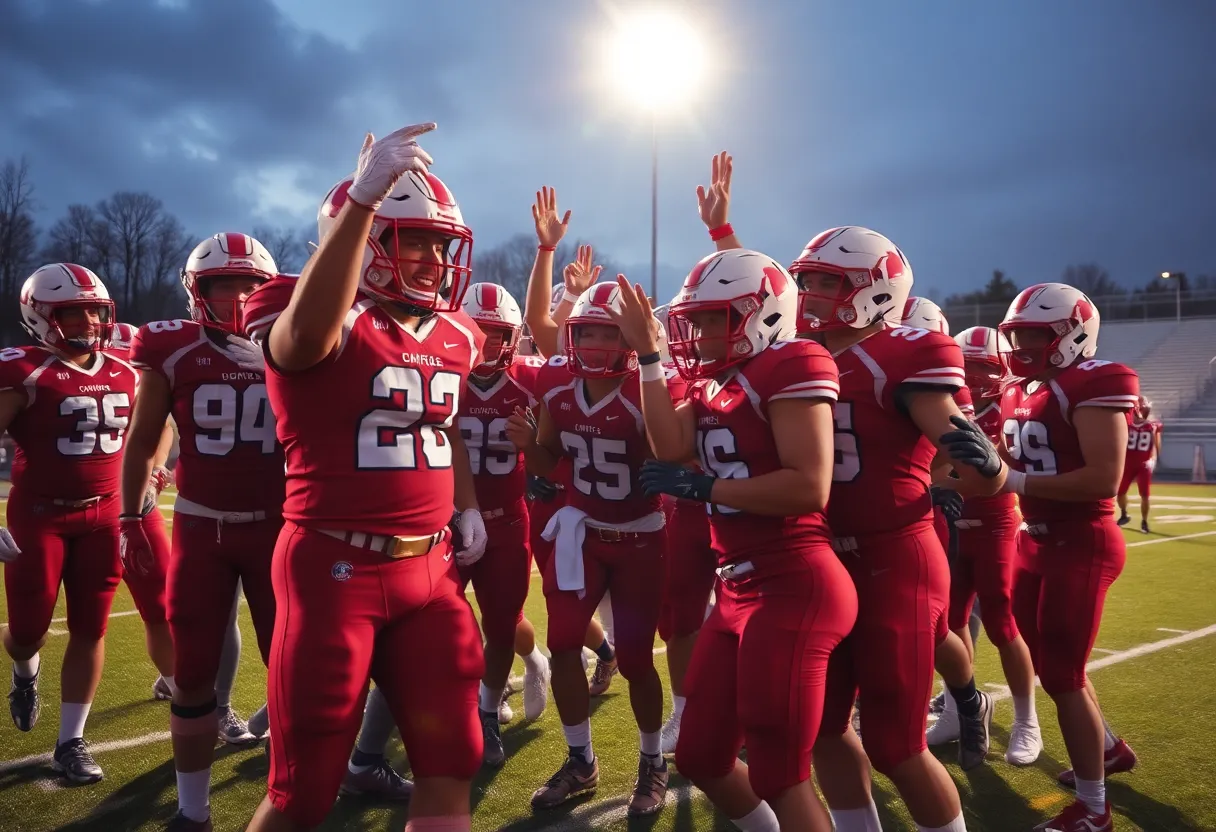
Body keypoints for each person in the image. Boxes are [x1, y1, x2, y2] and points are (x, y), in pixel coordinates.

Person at [241, 123, 488, 832]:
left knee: (453, 761)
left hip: (431, 574)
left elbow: (440, 434)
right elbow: (303, 340)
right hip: (334, 568)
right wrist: (363, 202)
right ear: (368, 236)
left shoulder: (456, 335)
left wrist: (466, 507)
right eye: (417, 240)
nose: (437, 260)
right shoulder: (309, 310)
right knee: (303, 791)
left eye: (443, 244)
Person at [615, 250, 857, 832]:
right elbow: (669, 445)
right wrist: (649, 356)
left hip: (793, 580)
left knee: (780, 771)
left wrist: (705, 486)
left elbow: (808, 485)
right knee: (700, 754)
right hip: (738, 586)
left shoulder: (796, 361)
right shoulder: (715, 380)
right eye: (693, 322)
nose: (696, 335)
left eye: (711, 320)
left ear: (759, 314)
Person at [121, 232, 282, 830]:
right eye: (225, 284)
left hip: (278, 526)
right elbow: (143, 439)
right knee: (193, 672)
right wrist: (131, 514)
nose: (240, 296)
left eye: (251, 284)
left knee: (290, 664)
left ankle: (290, 792)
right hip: (201, 526)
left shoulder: (293, 342)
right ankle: (193, 810)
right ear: (199, 291)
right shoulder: (172, 348)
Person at [506, 282, 669, 817]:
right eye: (589, 331)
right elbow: (550, 462)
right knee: (564, 643)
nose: (597, 343)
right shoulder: (556, 387)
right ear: (573, 335)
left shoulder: (650, 389)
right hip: (585, 535)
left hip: (643, 537)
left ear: (631, 339)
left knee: (640, 661)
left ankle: (652, 761)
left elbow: (671, 452)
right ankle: (581, 759)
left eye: (610, 332)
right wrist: (532, 448)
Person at [991, 282, 1139, 832]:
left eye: (1037, 333)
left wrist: (1012, 478)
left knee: (1064, 675)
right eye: (1018, 333)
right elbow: (1005, 463)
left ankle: (1095, 809)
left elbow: (1104, 478)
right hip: (1032, 539)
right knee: (1052, 663)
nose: (1024, 344)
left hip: (1082, 540)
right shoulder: (1017, 388)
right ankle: (1106, 750)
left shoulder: (1093, 383)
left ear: (1073, 335)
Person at [0, 264, 138, 783]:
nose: (87, 320)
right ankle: (23, 671)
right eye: (72, 310)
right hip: (40, 515)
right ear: (38, 316)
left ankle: (71, 741)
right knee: (29, 631)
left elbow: (152, 432)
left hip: (104, 514)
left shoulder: (126, 368)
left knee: (91, 626)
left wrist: (146, 478)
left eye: (94, 309)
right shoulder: (24, 370)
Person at [927, 326, 1042, 765]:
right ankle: (957, 709)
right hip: (955, 528)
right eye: (966, 365)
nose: (973, 377)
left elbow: (991, 479)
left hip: (993, 527)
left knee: (1002, 622)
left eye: (983, 366)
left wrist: (938, 483)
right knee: (950, 623)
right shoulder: (937, 403)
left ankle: (1026, 720)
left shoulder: (1009, 407)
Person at [520, 192, 618, 695]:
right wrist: (547, 256)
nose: (592, 348)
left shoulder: (637, 382)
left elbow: (544, 327)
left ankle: (610, 654)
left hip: (592, 506)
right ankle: (605, 653)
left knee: (571, 605)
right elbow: (544, 324)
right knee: (563, 608)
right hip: (547, 498)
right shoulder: (559, 367)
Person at [456, 281, 551, 766]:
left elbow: (555, 452)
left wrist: (535, 445)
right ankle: (472, 694)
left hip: (509, 520)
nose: (488, 342)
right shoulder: (441, 370)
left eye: (498, 333)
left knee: (501, 623)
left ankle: (488, 711)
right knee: (442, 621)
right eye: (479, 330)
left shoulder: (532, 379)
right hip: (448, 523)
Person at [106, 321, 179, 702]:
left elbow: (162, 428)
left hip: (136, 500)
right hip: (83, 501)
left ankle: (175, 680)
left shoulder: (141, 378)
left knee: (162, 600)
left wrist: (153, 469)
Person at [1118, 395, 1161, 533]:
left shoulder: (1152, 426)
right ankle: (1124, 514)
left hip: (1144, 464)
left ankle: (1144, 521)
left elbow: (1156, 445)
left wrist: (1154, 459)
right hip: (1127, 463)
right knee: (1120, 492)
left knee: (1145, 494)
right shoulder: (1126, 423)